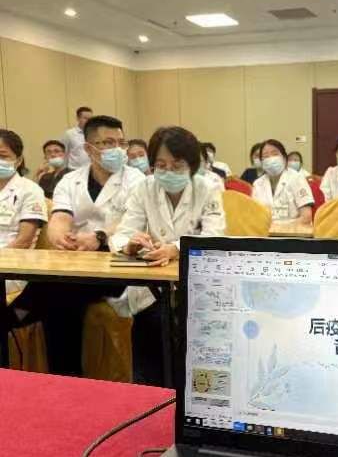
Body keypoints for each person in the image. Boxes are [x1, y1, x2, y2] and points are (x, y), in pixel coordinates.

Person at [10, 115, 145, 376]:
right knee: (61, 296)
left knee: (57, 292)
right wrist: (60, 236)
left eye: (121, 142)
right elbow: (60, 216)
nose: (117, 149)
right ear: (89, 148)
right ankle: (67, 377)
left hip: (119, 262)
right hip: (79, 261)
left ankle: (15, 315)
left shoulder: (137, 180)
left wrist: (99, 236)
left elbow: (132, 221)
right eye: (108, 143)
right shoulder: (70, 180)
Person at [111, 126, 226, 385]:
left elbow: (214, 235)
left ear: (192, 165)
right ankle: (151, 395)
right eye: (161, 165)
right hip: (152, 289)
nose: (168, 172)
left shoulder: (206, 188)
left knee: (188, 345)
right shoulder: (144, 188)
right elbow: (123, 233)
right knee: (151, 331)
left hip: (197, 287)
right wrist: (130, 244)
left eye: (177, 165)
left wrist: (176, 248)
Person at [0, 129, 47, 292]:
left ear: (18, 160)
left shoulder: (30, 190)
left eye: (3, 156)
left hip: (13, 264)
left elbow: (24, 241)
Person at [252, 139, 313, 223]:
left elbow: (306, 217)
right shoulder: (258, 184)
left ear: (284, 158)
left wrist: (280, 227)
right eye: (266, 156)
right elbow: (255, 216)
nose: (271, 158)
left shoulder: (296, 178)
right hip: (265, 230)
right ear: (262, 163)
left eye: (275, 154)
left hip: (294, 230)